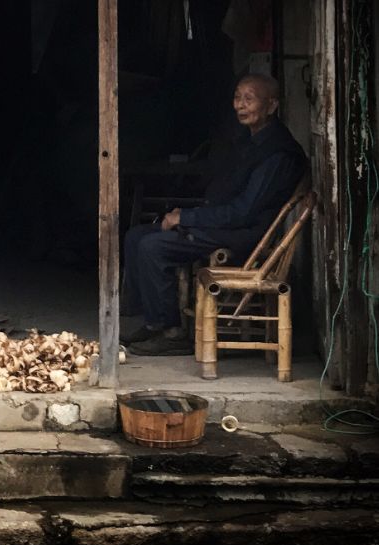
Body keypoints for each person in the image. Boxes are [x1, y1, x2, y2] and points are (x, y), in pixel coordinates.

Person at [122, 74, 307, 356]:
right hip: (225, 224)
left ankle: (172, 332)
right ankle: (153, 322)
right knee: (136, 236)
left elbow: (243, 213)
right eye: (237, 97)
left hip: (244, 236)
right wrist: (186, 214)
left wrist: (187, 219)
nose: (240, 106)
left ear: (271, 106)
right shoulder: (250, 141)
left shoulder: (278, 153)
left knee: (153, 246)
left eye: (249, 99)